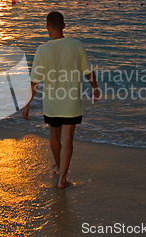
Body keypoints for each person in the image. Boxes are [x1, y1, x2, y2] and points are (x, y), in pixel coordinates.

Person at [22, 11, 99, 188]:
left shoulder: (42, 50)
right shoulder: (76, 45)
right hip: (71, 102)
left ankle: (58, 167)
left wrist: (27, 104)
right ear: (64, 26)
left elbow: (34, 80)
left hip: (52, 102)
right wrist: (95, 88)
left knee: (54, 135)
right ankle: (62, 178)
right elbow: (88, 72)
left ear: (47, 26)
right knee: (68, 137)